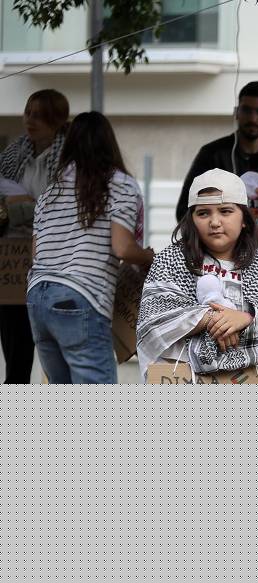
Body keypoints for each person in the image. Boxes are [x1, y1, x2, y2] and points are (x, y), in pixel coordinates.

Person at [26, 111, 151, 384]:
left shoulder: (50, 192)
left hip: (37, 297)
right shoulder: (120, 185)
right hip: (80, 296)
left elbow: (36, 254)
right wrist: (148, 256)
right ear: (109, 143)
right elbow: (122, 248)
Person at [137, 169, 258, 379]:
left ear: (244, 219)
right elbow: (153, 324)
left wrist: (246, 319)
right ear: (191, 220)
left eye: (225, 211)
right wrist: (212, 318)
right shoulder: (171, 260)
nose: (214, 222)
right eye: (203, 213)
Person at [0, 89, 69, 384]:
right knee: (15, 352)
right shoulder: (14, 153)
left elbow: (61, 207)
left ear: (57, 119)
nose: (31, 120)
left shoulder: (70, 157)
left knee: (57, 361)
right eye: (28, 113)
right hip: (12, 260)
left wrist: (23, 208)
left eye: (40, 115)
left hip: (53, 260)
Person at [176, 81, 258, 261]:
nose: (253, 118)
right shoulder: (212, 154)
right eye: (246, 110)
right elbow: (186, 209)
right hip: (220, 263)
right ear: (236, 112)